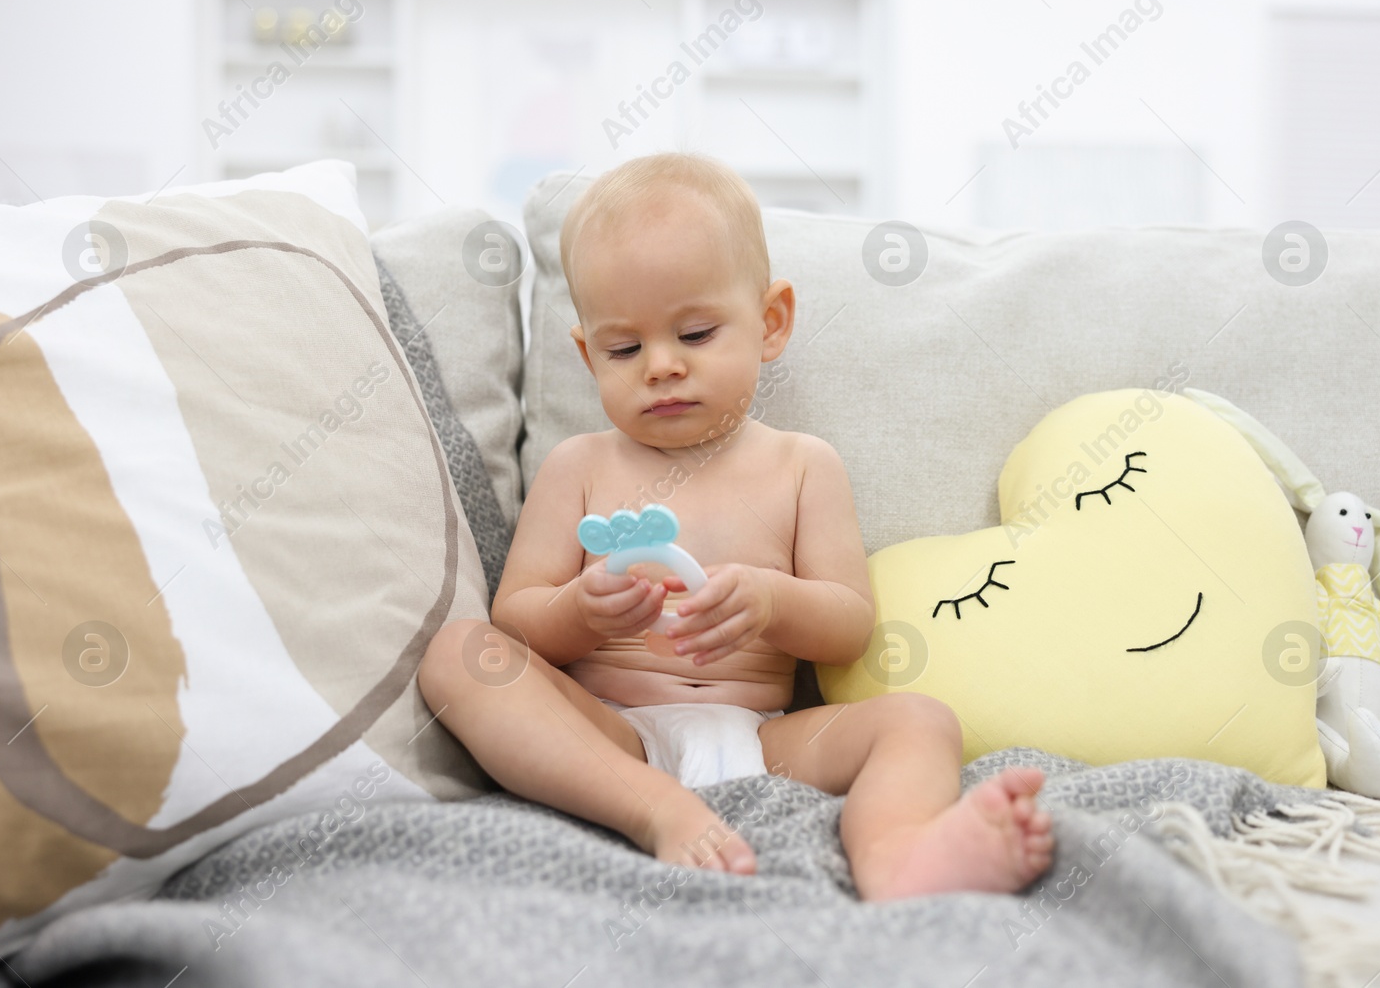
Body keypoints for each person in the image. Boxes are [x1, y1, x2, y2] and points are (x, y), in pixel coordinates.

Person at [418, 153, 1053, 899]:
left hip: (765, 737)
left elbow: (849, 623)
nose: (661, 366)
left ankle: (900, 855)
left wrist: (773, 601)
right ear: (590, 355)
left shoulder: (800, 465)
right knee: (462, 654)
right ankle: (654, 808)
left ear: (770, 322)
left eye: (695, 333)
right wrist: (578, 612)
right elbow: (515, 619)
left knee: (920, 719)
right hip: (614, 735)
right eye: (625, 348)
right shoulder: (576, 466)